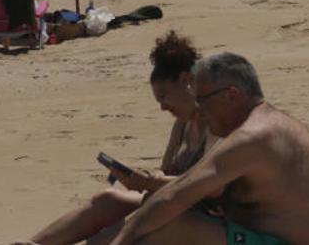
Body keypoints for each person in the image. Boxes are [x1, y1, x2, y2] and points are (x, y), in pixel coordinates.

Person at [106, 52, 309, 244]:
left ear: (231, 95)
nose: (199, 111)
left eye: (201, 100)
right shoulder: (268, 124)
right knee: (156, 215)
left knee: (172, 225)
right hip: (261, 235)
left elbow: (176, 195)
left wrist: (121, 240)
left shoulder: (252, 137)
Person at [26, 32, 215, 245]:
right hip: (174, 204)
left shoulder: (218, 126)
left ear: (185, 81)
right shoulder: (182, 124)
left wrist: (148, 181)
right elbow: (165, 173)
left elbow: (210, 185)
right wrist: (139, 178)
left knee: (137, 223)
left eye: (163, 96)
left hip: (203, 219)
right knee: (106, 200)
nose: (162, 107)